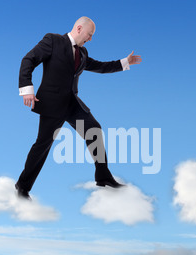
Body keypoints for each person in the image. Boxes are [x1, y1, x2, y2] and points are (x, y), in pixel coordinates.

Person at [16, 17, 142, 200]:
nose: (90, 39)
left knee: (94, 130)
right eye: (89, 35)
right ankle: (22, 186)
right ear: (79, 28)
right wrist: (27, 89)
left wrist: (125, 62)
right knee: (42, 145)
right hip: (52, 104)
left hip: (72, 104)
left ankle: (103, 176)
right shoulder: (53, 41)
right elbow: (28, 60)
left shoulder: (82, 52)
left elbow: (99, 66)